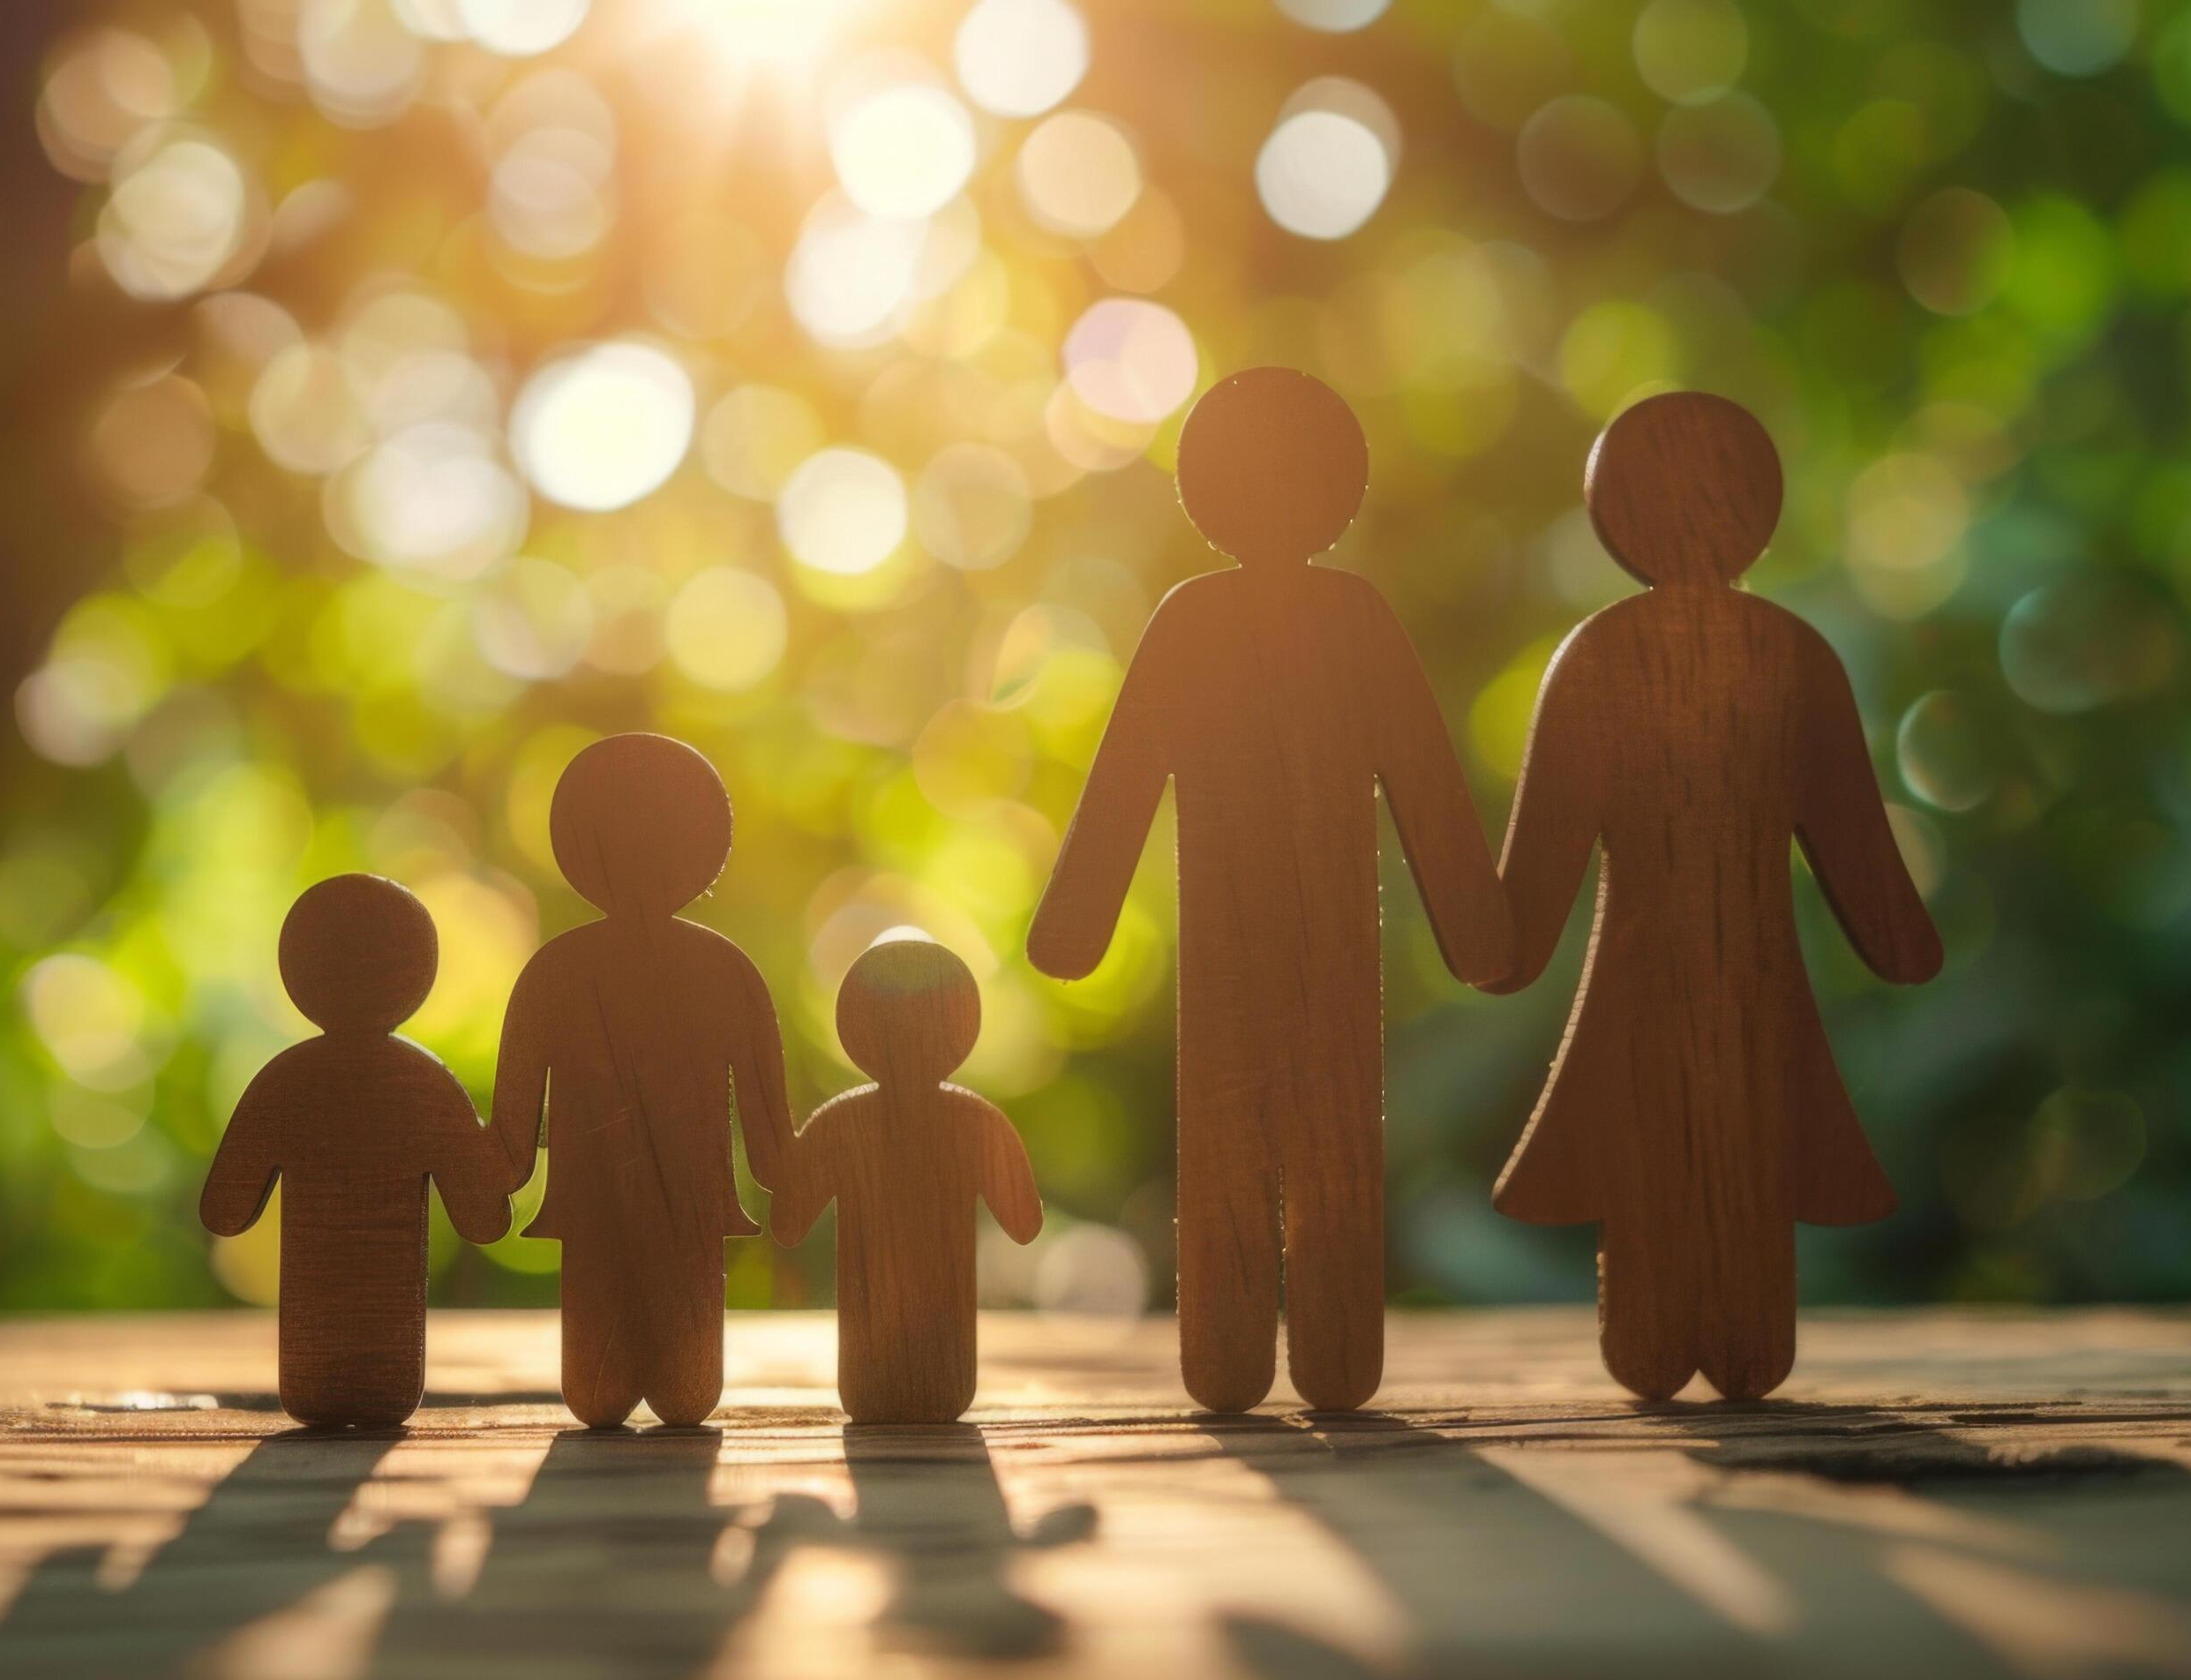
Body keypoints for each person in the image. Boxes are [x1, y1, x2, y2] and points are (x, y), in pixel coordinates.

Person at [1030, 367, 1512, 1414]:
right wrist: (1476, 925)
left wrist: (1077, 921)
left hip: (1284, 954)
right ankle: (1265, 1354)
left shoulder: (1209, 620)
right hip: (1280, 952)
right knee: (1279, 1141)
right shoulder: (1329, 617)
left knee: (1270, 1141)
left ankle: (1274, 1355)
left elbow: (1420, 777)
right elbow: (1128, 780)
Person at [1487, 392, 1943, 1402]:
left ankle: (1670, 1342)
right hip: (1752, 982)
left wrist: (1497, 946)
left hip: (1643, 982)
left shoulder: (1599, 659)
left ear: (1616, 515)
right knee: (1737, 1130)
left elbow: (1541, 868)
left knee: (1661, 1131)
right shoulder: (1794, 656)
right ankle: (1732, 1338)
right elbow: (1861, 849)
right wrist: (1901, 939)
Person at [494, 734, 793, 1428]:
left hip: (630, 1202)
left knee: (643, 1394)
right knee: (650, 1394)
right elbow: (771, 1134)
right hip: (666, 1203)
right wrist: (790, 1182)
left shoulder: (555, 972)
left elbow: (511, 1131)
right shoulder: (725, 972)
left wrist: (493, 1182)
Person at [202, 873, 514, 1428]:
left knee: (321, 1388)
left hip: (312, 1355)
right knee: (379, 1395)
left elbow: (224, 1209)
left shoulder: (285, 1082)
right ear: (419, 971)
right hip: (390, 1359)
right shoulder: (425, 1085)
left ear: (296, 969)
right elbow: (484, 1218)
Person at [771, 938, 1043, 1425]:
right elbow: (1025, 1223)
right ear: (964, 1028)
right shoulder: (978, 1124)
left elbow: (788, 1223)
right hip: (946, 1367)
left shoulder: (840, 1123)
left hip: (868, 1373)